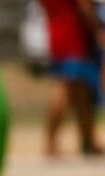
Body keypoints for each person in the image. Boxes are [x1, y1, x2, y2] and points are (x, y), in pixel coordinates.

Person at [39, 0, 103, 156]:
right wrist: (98, 30)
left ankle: (87, 140)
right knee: (66, 89)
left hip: (57, 32)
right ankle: (51, 141)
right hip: (74, 37)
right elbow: (85, 7)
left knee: (81, 91)